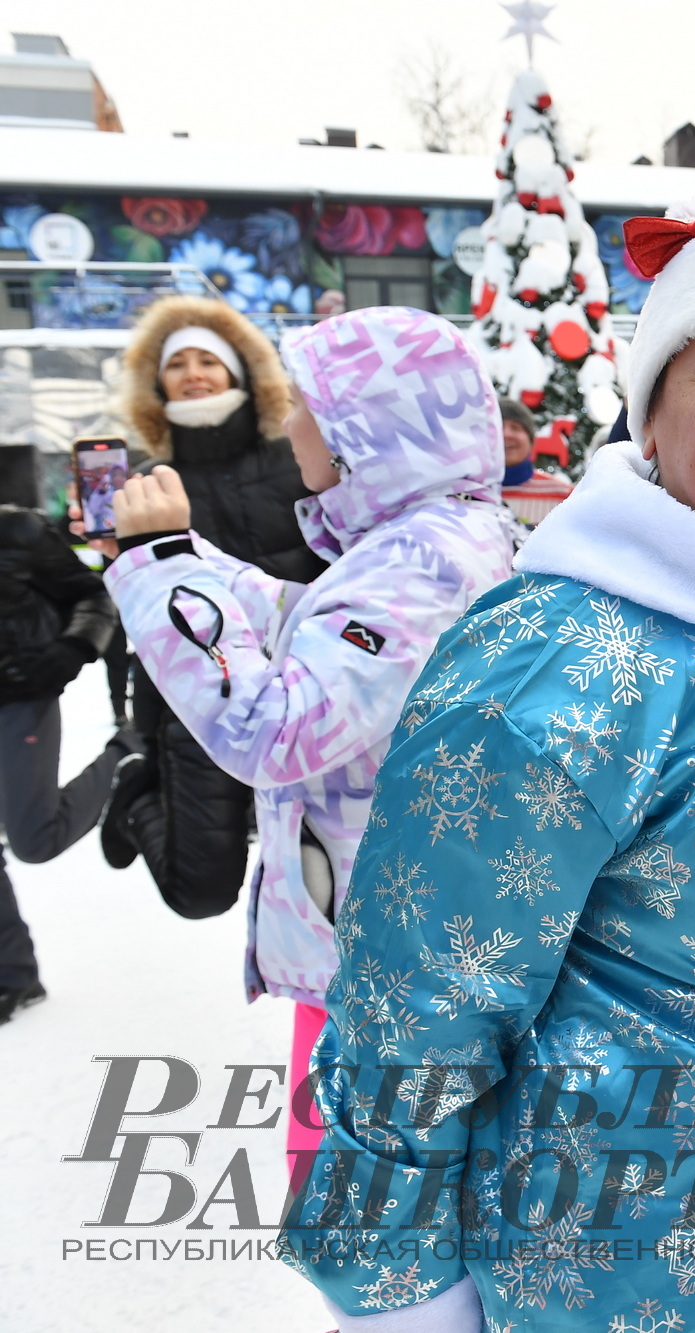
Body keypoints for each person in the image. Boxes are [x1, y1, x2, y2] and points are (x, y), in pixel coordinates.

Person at [283, 168, 695, 1333]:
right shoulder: (555, 657)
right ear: (650, 411)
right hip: (624, 1284)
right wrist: (402, 1303)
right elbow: (409, 1021)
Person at [102, 306, 516, 1172]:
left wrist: (163, 571)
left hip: (381, 961)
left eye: (307, 407)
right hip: (378, 940)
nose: (289, 426)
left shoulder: (422, 561)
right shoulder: (419, 543)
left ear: (367, 428)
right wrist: (180, 556)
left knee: (345, 1199)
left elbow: (276, 728)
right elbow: (310, 622)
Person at [98, 297, 328, 919]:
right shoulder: (146, 481)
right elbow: (138, 605)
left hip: (304, 689)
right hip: (194, 694)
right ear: (157, 383)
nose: (193, 374)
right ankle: (135, 796)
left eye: (208, 360)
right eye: (177, 364)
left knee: (324, 883)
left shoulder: (296, 454)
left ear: (240, 371)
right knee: (200, 889)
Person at [0, 498, 134, 1023]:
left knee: (35, 838)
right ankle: (14, 977)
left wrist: (70, 651)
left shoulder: (17, 530)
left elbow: (92, 596)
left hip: (20, 700)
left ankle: (126, 753)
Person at [498, 395, 574, 531]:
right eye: (498, 427)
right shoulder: (464, 492)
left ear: (531, 441)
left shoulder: (565, 498)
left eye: (515, 428)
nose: (506, 434)